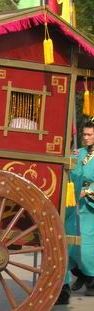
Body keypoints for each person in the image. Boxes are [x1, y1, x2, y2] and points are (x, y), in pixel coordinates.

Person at [64, 119, 94, 299]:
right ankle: (80, 274)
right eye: (84, 134)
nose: (86, 137)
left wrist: (88, 191)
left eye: (90, 134)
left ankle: (92, 278)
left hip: (90, 207)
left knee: (88, 245)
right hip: (75, 204)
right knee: (73, 243)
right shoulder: (79, 152)